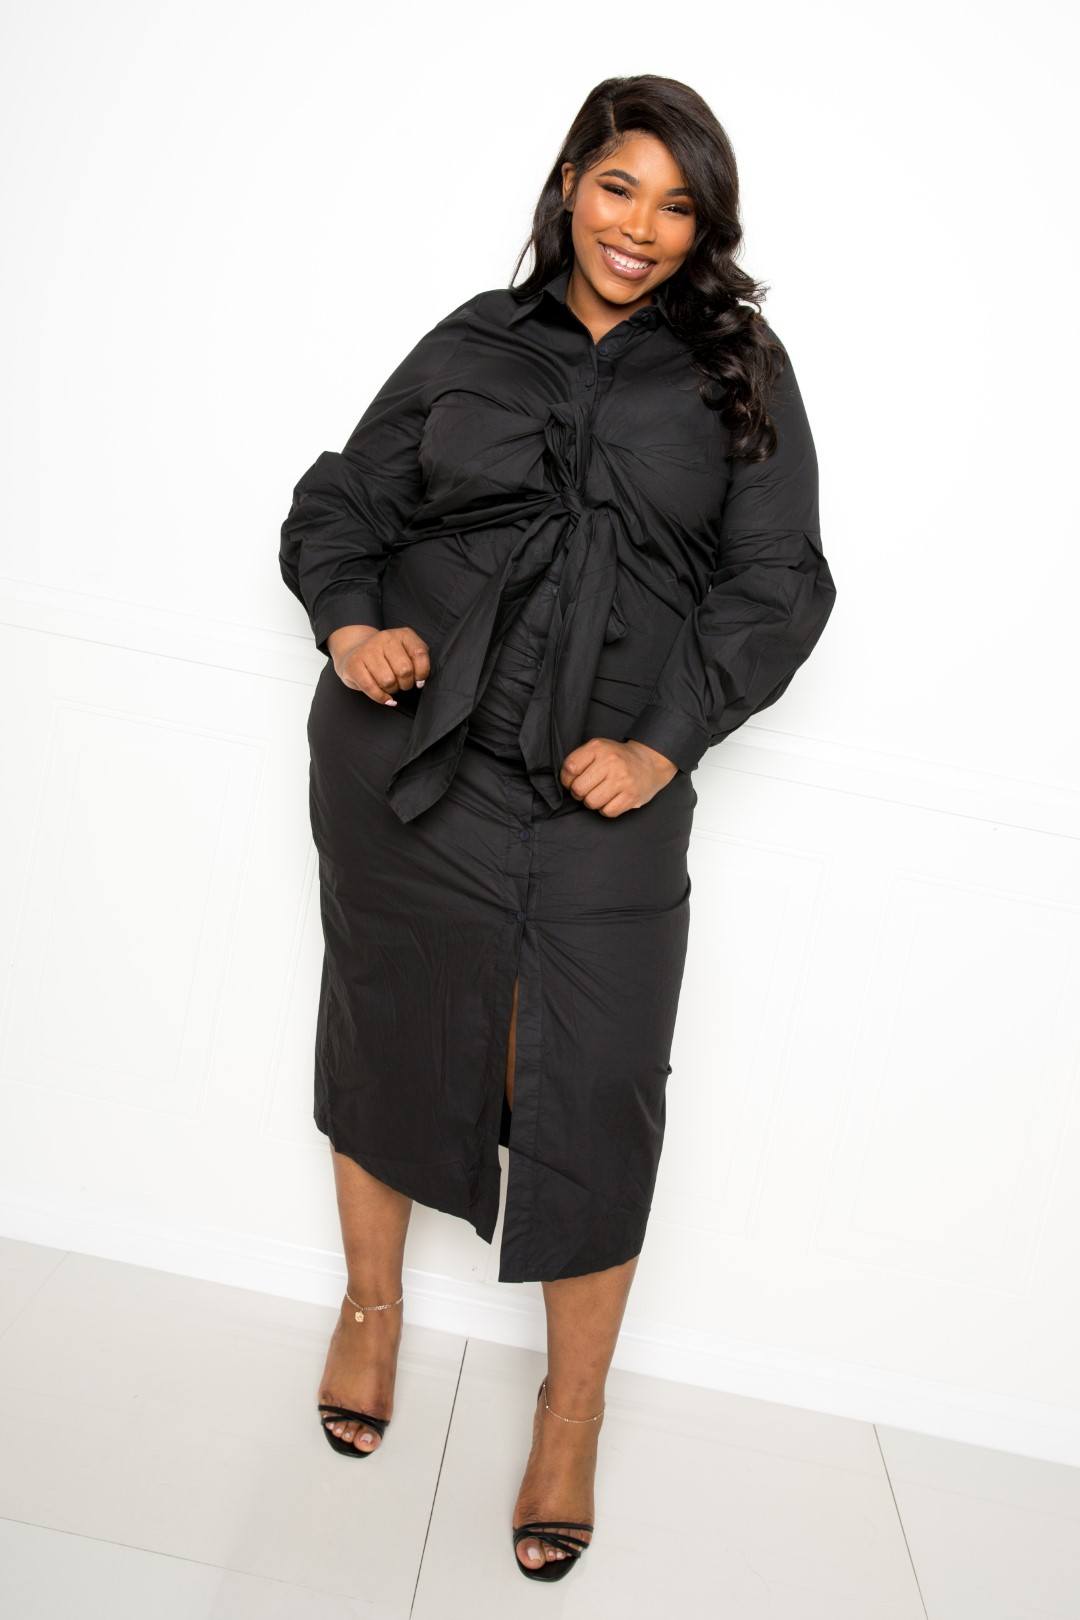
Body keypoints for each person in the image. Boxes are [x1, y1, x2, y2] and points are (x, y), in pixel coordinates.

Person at [279, 73, 837, 1583]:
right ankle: (371, 1310)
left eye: (677, 205)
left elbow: (779, 582)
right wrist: (352, 626)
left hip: (600, 793)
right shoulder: (474, 339)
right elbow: (343, 501)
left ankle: (571, 1411)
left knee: (594, 1085)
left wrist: (661, 747)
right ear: (571, 185)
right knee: (390, 1026)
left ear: (705, 229)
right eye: (618, 187)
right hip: (413, 766)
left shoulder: (739, 372)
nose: (640, 227)